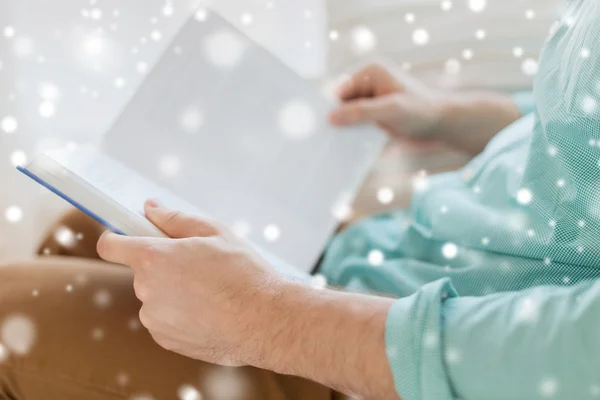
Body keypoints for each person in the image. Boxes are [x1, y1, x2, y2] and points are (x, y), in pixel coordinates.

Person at [2, 1, 600, 398]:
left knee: (9, 317)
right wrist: (470, 118)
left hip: (413, 357)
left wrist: (267, 318)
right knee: (79, 227)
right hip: (406, 255)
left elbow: (573, 356)